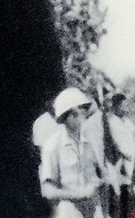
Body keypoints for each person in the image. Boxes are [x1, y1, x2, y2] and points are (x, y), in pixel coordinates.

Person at [40, 87, 103, 218]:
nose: (82, 116)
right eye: (75, 113)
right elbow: (47, 191)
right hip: (70, 212)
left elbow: (95, 175)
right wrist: (79, 194)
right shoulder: (52, 146)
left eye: (84, 110)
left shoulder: (88, 140)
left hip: (94, 209)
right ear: (65, 116)